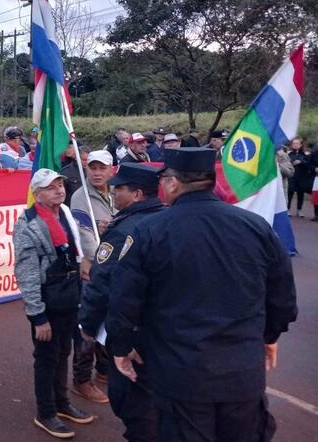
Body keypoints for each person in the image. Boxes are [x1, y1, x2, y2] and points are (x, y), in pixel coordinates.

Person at [107, 147, 297, 442]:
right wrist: (270, 336)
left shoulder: (150, 231)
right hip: (242, 371)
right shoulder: (255, 226)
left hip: (181, 373)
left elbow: (124, 299)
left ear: (172, 182)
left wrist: (120, 346)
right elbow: (283, 298)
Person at [79, 164, 166, 442]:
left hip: (131, 332)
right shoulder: (168, 218)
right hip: (168, 331)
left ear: (138, 194)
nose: (114, 192)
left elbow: (101, 282)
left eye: (120, 188)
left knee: (132, 401)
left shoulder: (123, 230)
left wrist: (87, 325)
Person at [13, 168, 93, 439]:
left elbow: (76, 252)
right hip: (48, 301)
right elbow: (27, 273)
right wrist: (37, 316)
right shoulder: (29, 223)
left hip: (69, 297)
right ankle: (45, 412)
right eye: (51, 187)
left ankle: (62, 403)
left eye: (61, 185)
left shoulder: (65, 214)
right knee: (47, 358)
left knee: (64, 352)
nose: (60, 190)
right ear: (37, 193)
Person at [69, 149, 115, 404]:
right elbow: (85, 236)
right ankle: (81, 379)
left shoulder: (116, 194)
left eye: (102, 168)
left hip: (113, 269)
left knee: (109, 320)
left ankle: (105, 369)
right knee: (88, 325)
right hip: (93, 269)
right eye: (92, 168)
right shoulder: (80, 196)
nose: (97, 173)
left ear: (111, 170)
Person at [287, 137, 312, 217]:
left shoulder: (305, 155)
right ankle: (288, 210)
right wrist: (291, 163)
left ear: (300, 145)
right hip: (291, 177)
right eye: (294, 143)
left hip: (301, 178)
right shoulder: (289, 154)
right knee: (290, 193)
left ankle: (299, 210)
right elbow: (286, 164)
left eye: (297, 143)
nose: (295, 145)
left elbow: (309, 164)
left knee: (300, 194)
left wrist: (301, 162)